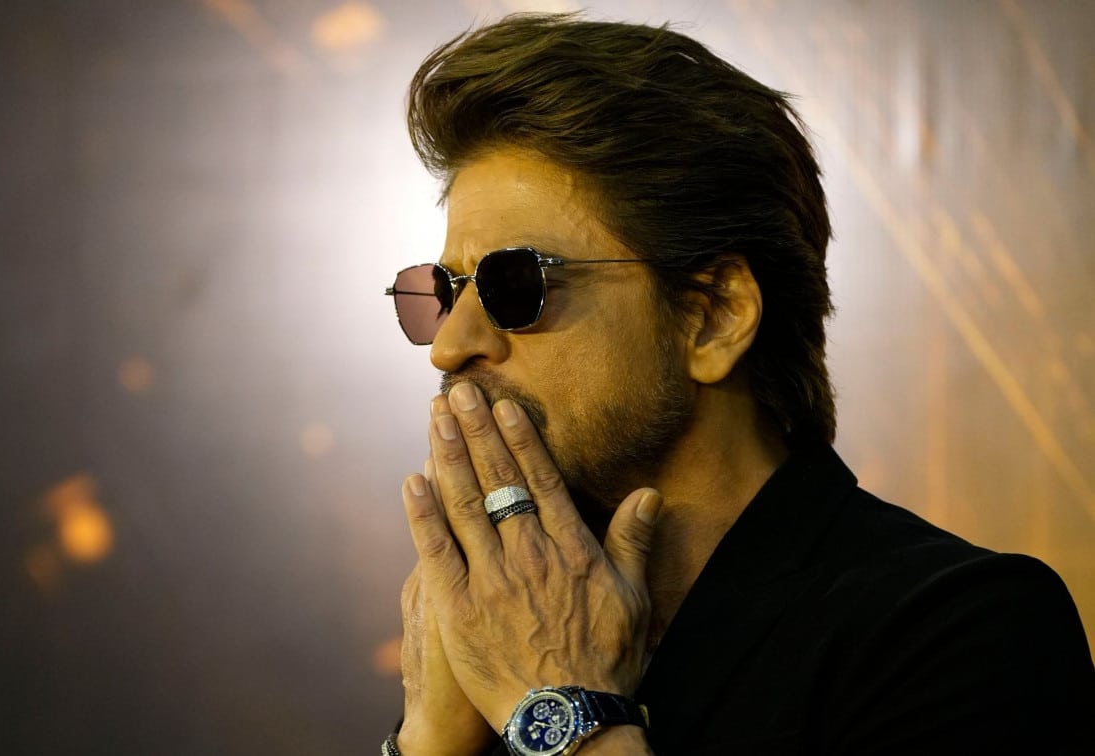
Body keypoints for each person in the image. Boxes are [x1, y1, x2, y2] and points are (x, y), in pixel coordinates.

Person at [381, 13, 1095, 756]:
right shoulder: (492, 635)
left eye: (514, 284)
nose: (449, 348)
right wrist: (431, 741)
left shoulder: (964, 631)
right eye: (445, 290)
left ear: (715, 316)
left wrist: (560, 704)